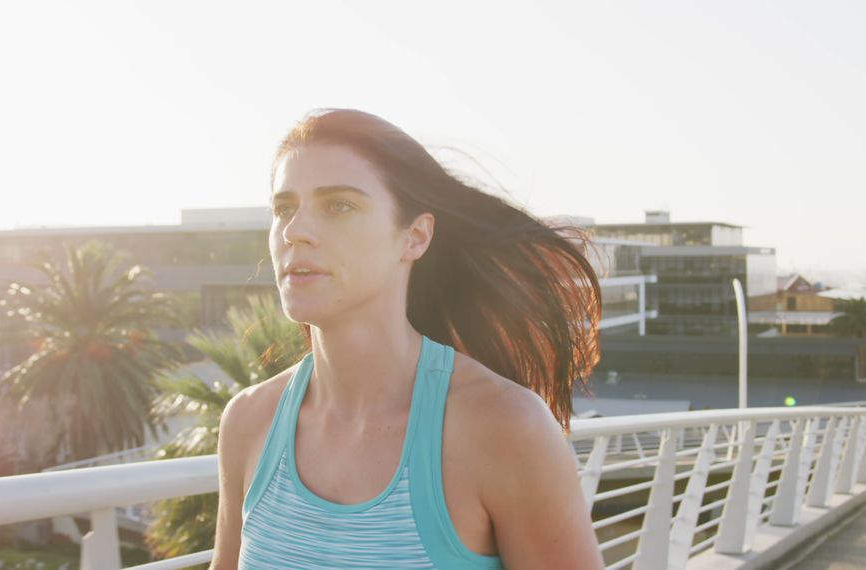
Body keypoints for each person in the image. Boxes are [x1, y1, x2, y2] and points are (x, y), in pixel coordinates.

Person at [211, 109, 605, 569]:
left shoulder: (504, 429)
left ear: (415, 237)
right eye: (283, 209)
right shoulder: (248, 421)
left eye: (339, 205)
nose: (295, 230)